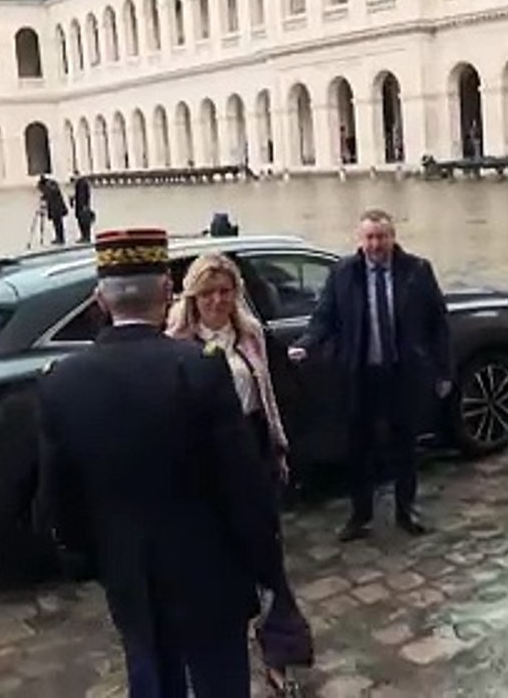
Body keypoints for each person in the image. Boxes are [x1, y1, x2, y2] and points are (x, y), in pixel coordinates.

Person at [35, 228, 279, 697]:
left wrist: (99, 559)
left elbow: (58, 504)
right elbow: (243, 488)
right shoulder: (199, 368)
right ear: (167, 292)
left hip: (131, 577)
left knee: (151, 680)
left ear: (100, 300)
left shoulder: (61, 383)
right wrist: (266, 570)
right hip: (211, 574)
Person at [165, 253, 314, 696]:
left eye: (225, 292)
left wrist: (281, 448)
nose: (217, 300)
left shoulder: (251, 337)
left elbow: (278, 395)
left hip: (252, 454)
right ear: (193, 297)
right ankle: (213, 661)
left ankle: (280, 654)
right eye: (208, 293)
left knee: (269, 561)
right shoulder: (176, 345)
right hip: (203, 466)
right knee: (217, 569)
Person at [288, 209, 452, 542]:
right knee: (358, 448)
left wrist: (443, 370)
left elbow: (438, 324)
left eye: (382, 237)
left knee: (405, 447)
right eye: (370, 238)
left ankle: (406, 509)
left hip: (401, 373)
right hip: (359, 375)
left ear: (393, 237)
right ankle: (359, 515)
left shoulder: (417, 271)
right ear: (360, 240)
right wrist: (307, 343)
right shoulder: (343, 273)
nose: (376, 244)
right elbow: (324, 318)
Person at [37, 175, 68, 245]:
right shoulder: (52, 184)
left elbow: (51, 195)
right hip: (57, 208)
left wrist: (45, 196)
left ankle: (60, 238)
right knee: (57, 224)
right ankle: (59, 237)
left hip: (56, 208)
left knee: (58, 224)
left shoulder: (50, 187)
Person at [72, 171, 95, 244]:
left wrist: (83, 205)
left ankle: (85, 237)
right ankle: (85, 236)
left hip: (82, 206)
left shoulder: (81, 183)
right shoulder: (82, 183)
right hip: (83, 205)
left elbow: (82, 195)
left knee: (83, 222)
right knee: (83, 222)